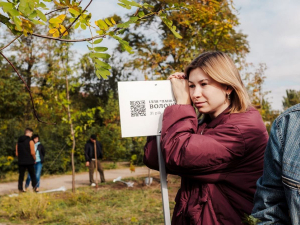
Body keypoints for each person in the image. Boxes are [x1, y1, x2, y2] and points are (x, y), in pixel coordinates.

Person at [144, 51, 269, 224]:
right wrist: (168, 102)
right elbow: (154, 157)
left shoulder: (242, 129)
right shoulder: (205, 124)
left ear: (227, 86)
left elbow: (178, 154)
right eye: (191, 86)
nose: (195, 94)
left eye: (203, 84)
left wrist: (181, 106)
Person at [251, 103, 300, 224]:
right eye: (194, 86)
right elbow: (269, 211)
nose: (196, 95)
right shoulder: (287, 124)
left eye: (204, 84)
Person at [16, 128, 37, 192]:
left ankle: (20, 189)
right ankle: (35, 188)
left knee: (21, 175)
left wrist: (21, 158)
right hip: (29, 161)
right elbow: (32, 152)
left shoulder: (18, 142)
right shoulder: (30, 141)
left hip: (21, 161)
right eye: (31, 133)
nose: (31, 135)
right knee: (32, 174)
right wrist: (34, 158)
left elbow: (17, 153)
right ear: (29, 133)